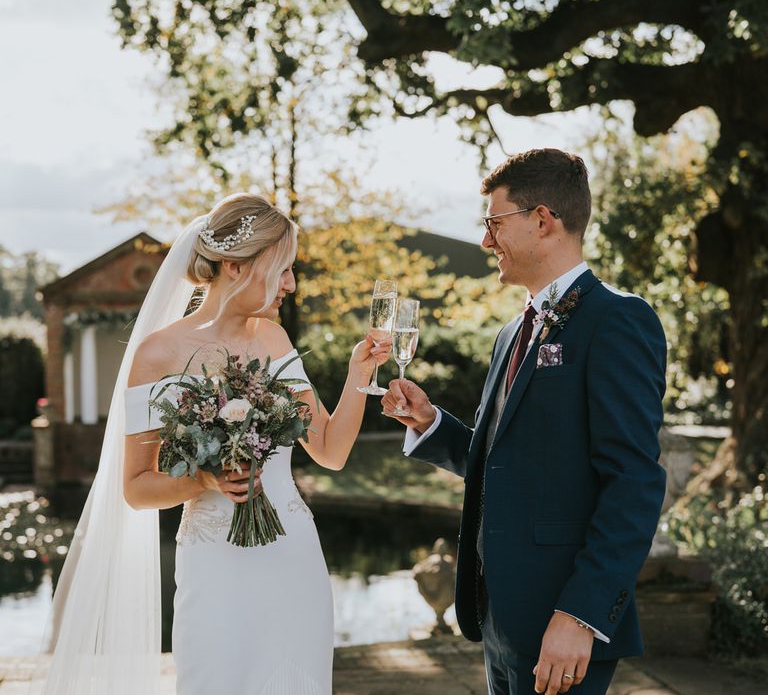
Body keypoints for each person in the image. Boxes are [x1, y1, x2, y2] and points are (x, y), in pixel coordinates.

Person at [42, 194, 389, 695]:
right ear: (233, 265)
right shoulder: (158, 353)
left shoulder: (275, 341)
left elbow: (330, 451)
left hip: (292, 556)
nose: (290, 284)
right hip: (215, 563)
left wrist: (359, 375)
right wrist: (203, 478)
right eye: (282, 269)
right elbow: (137, 489)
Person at [382, 148, 667, 695]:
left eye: (494, 222)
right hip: (500, 618)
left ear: (542, 220)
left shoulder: (618, 321)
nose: (486, 240)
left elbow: (633, 484)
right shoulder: (512, 334)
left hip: (564, 624)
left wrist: (581, 617)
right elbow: (507, 465)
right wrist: (430, 423)